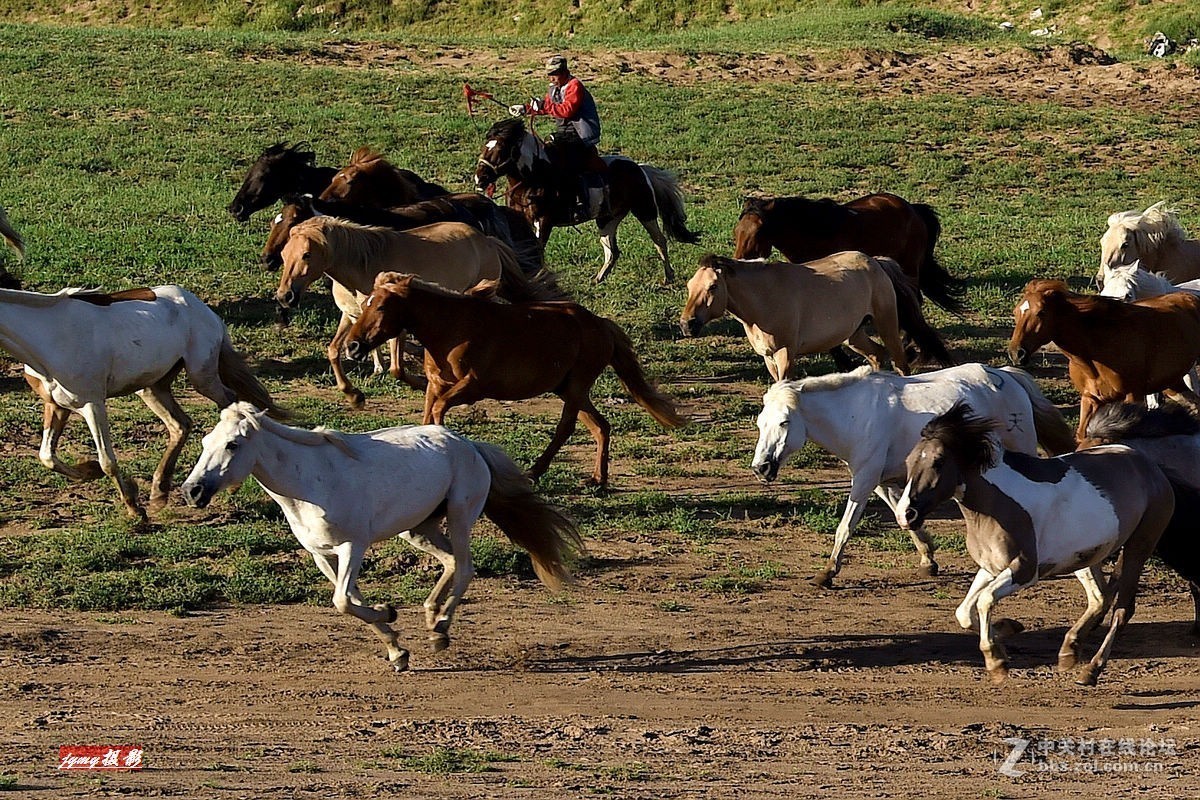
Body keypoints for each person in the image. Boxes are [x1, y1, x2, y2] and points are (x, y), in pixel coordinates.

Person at [509, 55, 606, 222]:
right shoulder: (553, 88)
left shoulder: (574, 86)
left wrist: (542, 106)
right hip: (564, 134)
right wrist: (526, 109)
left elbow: (567, 110)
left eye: (554, 74)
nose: (551, 78)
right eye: (549, 75)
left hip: (580, 135)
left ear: (564, 72)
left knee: (568, 162)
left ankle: (580, 202)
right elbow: (547, 105)